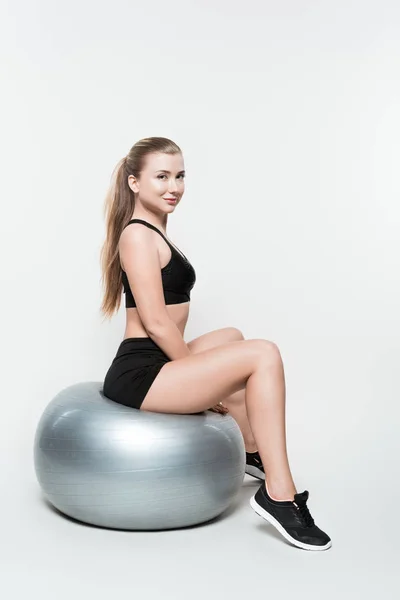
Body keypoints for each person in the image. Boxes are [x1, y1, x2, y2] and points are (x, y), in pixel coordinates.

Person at [100, 136, 332, 551]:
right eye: (161, 177)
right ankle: (279, 494)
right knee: (262, 353)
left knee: (232, 338)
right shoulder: (137, 236)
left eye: (180, 176)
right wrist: (196, 377)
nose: (174, 187)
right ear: (134, 183)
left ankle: (252, 451)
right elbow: (155, 321)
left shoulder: (154, 231)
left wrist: (201, 376)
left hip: (156, 361)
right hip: (141, 373)